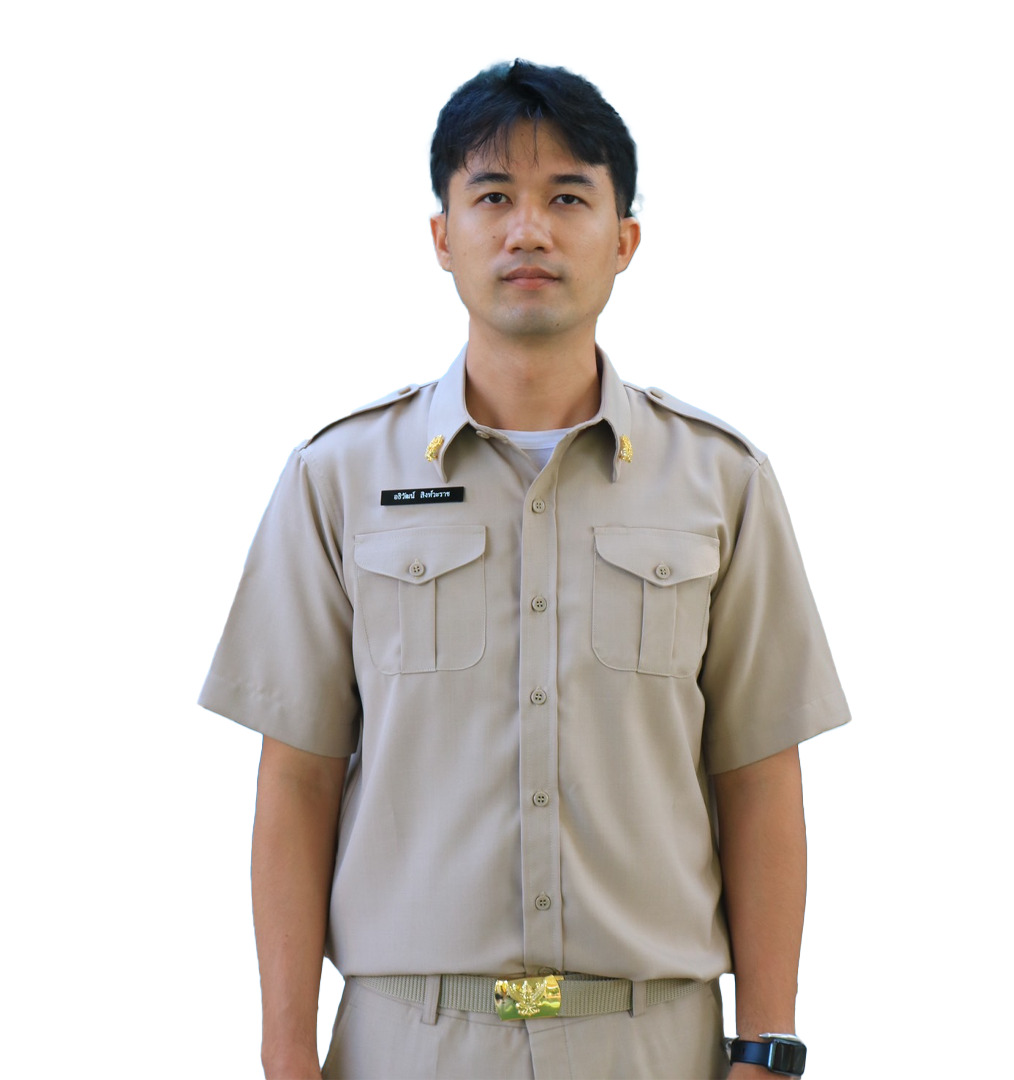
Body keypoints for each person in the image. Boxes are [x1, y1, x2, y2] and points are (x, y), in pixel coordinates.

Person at [200, 59, 850, 1080]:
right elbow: (298, 776)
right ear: (441, 236)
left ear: (625, 239)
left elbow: (759, 774)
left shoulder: (721, 482)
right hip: (407, 1043)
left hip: (652, 1042)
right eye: (494, 196)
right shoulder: (339, 478)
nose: (529, 231)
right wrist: (286, 1053)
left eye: (569, 198)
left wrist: (766, 1048)